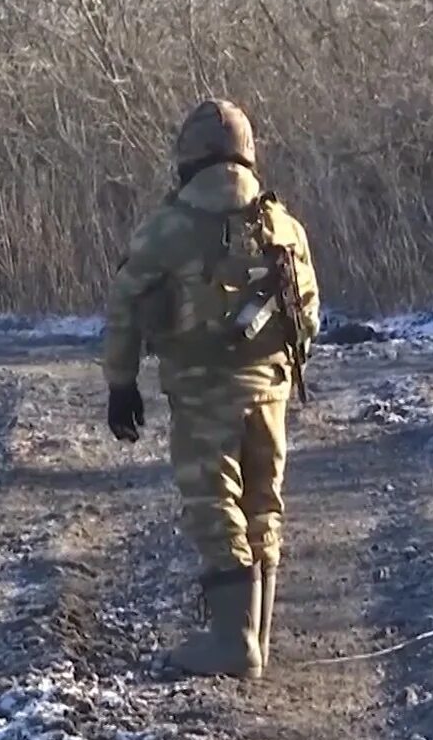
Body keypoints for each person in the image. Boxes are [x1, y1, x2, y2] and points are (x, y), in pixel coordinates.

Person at [102, 98, 321, 679]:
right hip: (272, 387)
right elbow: (310, 314)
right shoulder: (283, 225)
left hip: (200, 390)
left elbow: (124, 304)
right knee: (262, 501)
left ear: (188, 159)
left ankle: (232, 640)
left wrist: (122, 383)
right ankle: (257, 635)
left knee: (213, 503)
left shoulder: (168, 229)